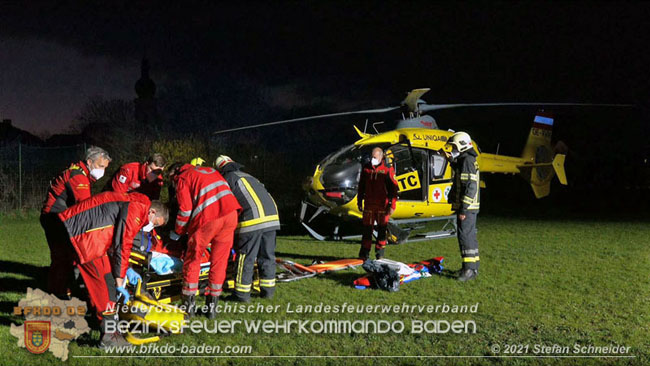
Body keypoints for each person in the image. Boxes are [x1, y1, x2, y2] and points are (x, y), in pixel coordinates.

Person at [57, 191, 168, 346]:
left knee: (92, 284)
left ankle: (87, 319)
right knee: (107, 286)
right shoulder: (138, 208)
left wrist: (126, 268)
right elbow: (123, 242)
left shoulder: (131, 201)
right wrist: (119, 278)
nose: (151, 226)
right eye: (155, 223)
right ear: (152, 212)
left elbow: (113, 236)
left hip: (79, 232)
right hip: (88, 239)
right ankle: (110, 336)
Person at [168, 162, 241, 318]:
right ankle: (211, 309)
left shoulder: (183, 177)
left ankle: (189, 307)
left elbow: (185, 211)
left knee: (193, 259)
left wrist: (178, 231)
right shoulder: (210, 171)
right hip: (231, 214)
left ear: (176, 171)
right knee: (219, 262)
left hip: (209, 218)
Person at [40, 145, 111, 298]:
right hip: (55, 218)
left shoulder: (77, 172)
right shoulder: (78, 176)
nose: (102, 171)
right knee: (62, 257)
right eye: (100, 166)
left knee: (65, 256)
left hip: (57, 217)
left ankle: (63, 289)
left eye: (104, 167)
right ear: (90, 162)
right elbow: (84, 205)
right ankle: (57, 292)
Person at [215, 155, 280, 302]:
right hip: (272, 218)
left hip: (252, 221)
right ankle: (268, 291)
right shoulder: (249, 177)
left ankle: (241, 295)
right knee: (267, 256)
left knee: (245, 258)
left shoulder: (226, 180)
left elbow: (225, 204)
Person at [444, 131, 481, 282]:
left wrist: (463, 208)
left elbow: (470, 186)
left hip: (467, 207)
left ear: (461, 145)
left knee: (465, 237)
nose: (453, 149)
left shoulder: (467, 161)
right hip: (470, 207)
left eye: (454, 146)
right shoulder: (467, 160)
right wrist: (450, 160)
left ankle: (469, 270)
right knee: (470, 236)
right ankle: (472, 267)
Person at [357, 147, 398, 260]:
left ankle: (380, 253)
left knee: (381, 231)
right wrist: (359, 201)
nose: (372, 159)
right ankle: (364, 253)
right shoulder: (366, 168)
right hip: (369, 205)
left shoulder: (387, 169)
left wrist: (392, 205)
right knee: (366, 230)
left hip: (382, 206)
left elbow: (394, 189)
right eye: (371, 157)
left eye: (374, 157)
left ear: (381, 157)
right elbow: (361, 186)